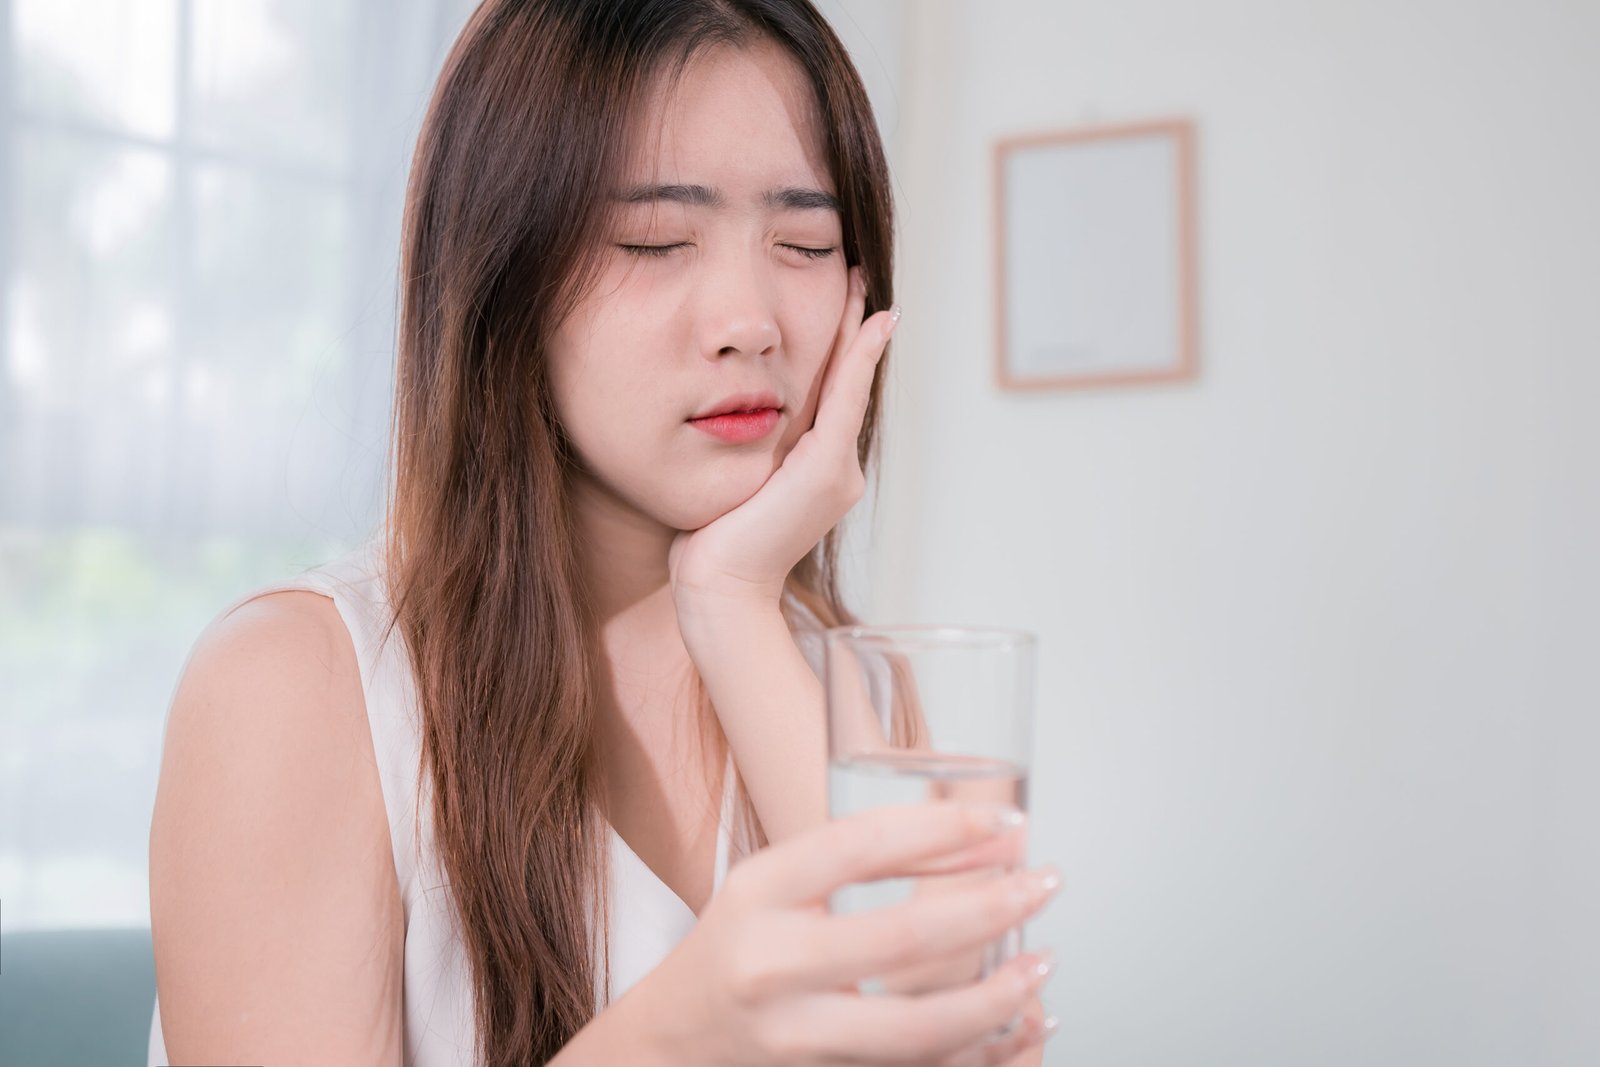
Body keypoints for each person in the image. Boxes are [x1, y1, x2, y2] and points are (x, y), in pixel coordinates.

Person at [146, 1, 1062, 1064]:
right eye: (656, 241)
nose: (749, 319)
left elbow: (941, 1043)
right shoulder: (297, 685)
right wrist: (676, 1034)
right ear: (504, 284)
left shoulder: (835, 680)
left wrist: (731, 600)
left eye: (805, 241)